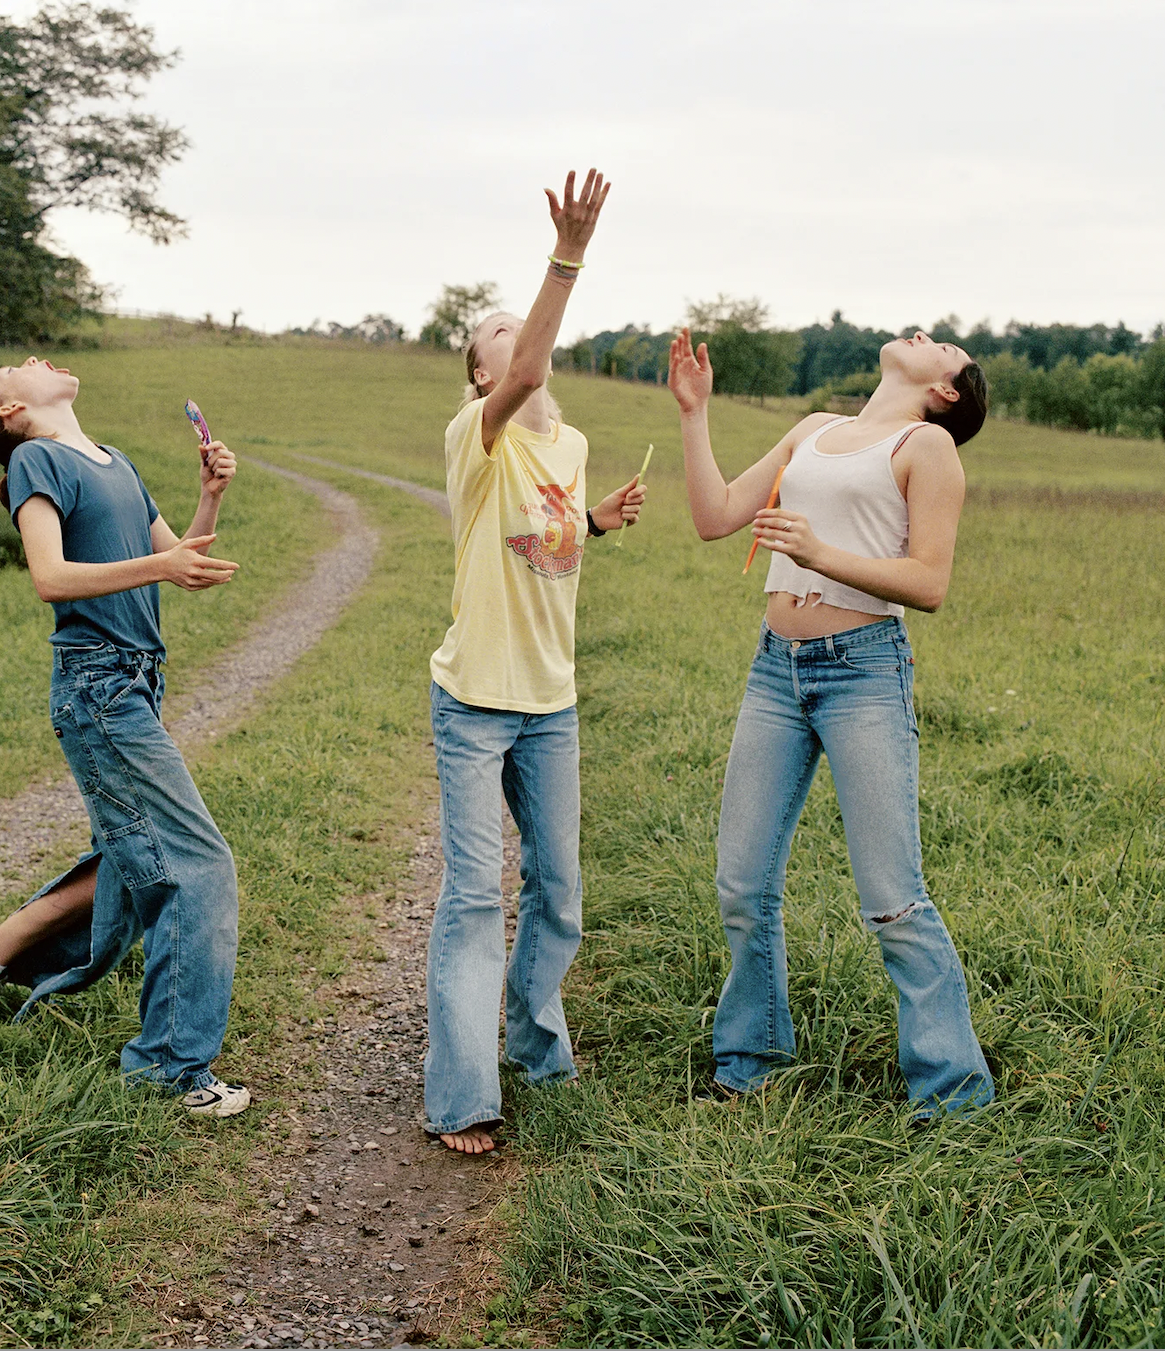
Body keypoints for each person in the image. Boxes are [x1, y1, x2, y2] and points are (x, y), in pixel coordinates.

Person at [665, 326, 994, 1119]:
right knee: (742, 884)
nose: (928, 334)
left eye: (945, 345)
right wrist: (693, 413)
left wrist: (817, 553)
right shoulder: (814, 430)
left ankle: (952, 1094)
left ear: (947, 389)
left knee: (892, 898)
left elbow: (929, 581)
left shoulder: (926, 447)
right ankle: (750, 1061)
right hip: (775, 669)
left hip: (864, 674)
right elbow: (715, 518)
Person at [0, 355, 253, 1118]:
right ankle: (170, 1070)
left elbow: (185, 564)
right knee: (195, 864)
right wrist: (163, 561)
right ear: (11, 412)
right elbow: (51, 576)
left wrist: (207, 501)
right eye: (18, 366)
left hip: (137, 680)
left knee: (133, 854)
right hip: (98, 683)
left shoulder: (116, 462)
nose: (38, 358)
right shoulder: (35, 461)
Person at [425, 169, 647, 1154]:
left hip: (550, 703)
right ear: (483, 377)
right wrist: (567, 258)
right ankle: (463, 1097)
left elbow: (547, 546)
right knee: (477, 898)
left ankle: (533, 1038)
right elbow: (525, 383)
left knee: (559, 892)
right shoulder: (478, 434)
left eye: (527, 330)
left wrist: (593, 522)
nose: (521, 346)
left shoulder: (576, 444)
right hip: (473, 701)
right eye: (501, 341)